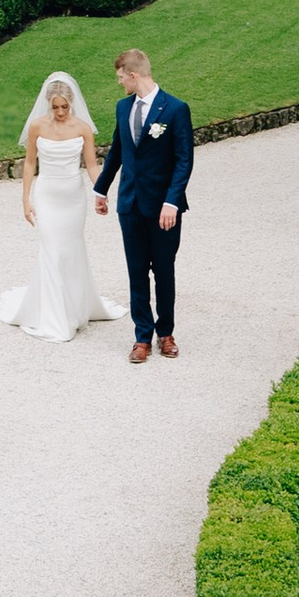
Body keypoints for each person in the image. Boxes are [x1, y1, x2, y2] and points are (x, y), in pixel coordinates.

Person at [0, 73, 119, 341]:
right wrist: (25, 199)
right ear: (48, 104)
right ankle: (55, 318)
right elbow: (29, 163)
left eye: (65, 106)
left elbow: (92, 165)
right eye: (55, 107)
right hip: (47, 195)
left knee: (70, 250)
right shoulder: (37, 127)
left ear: (71, 103)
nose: (60, 112)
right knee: (51, 249)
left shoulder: (83, 128)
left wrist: (101, 190)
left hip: (73, 197)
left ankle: (73, 306)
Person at [95, 45, 193, 362]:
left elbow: (183, 162)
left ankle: (166, 333)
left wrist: (172, 202)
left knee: (163, 272)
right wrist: (101, 190)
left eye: (122, 78)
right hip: (130, 205)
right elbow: (118, 152)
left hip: (163, 208)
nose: (120, 83)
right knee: (136, 272)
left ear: (135, 75)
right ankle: (142, 337)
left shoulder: (176, 109)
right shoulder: (123, 108)